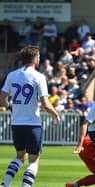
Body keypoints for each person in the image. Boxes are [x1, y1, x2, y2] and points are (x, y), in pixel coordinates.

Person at [0, 45, 60, 187]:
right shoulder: (39, 77)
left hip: (17, 123)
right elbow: (45, 104)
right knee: (34, 159)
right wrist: (55, 113)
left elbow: (2, 99)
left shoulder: (12, 75)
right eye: (38, 56)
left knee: (20, 156)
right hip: (33, 124)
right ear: (35, 59)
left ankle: (5, 183)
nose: (39, 58)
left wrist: (11, 107)